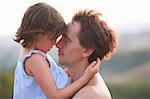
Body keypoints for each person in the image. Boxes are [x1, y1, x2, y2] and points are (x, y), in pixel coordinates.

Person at [13, 3, 100, 99]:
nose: (55, 43)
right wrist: (85, 78)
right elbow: (55, 96)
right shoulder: (36, 60)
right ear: (37, 34)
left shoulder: (28, 53)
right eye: (52, 38)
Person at [56, 10, 117, 99]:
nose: (58, 44)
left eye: (67, 40)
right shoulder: (68, 78)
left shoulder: (90, 94)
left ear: (87, 51)